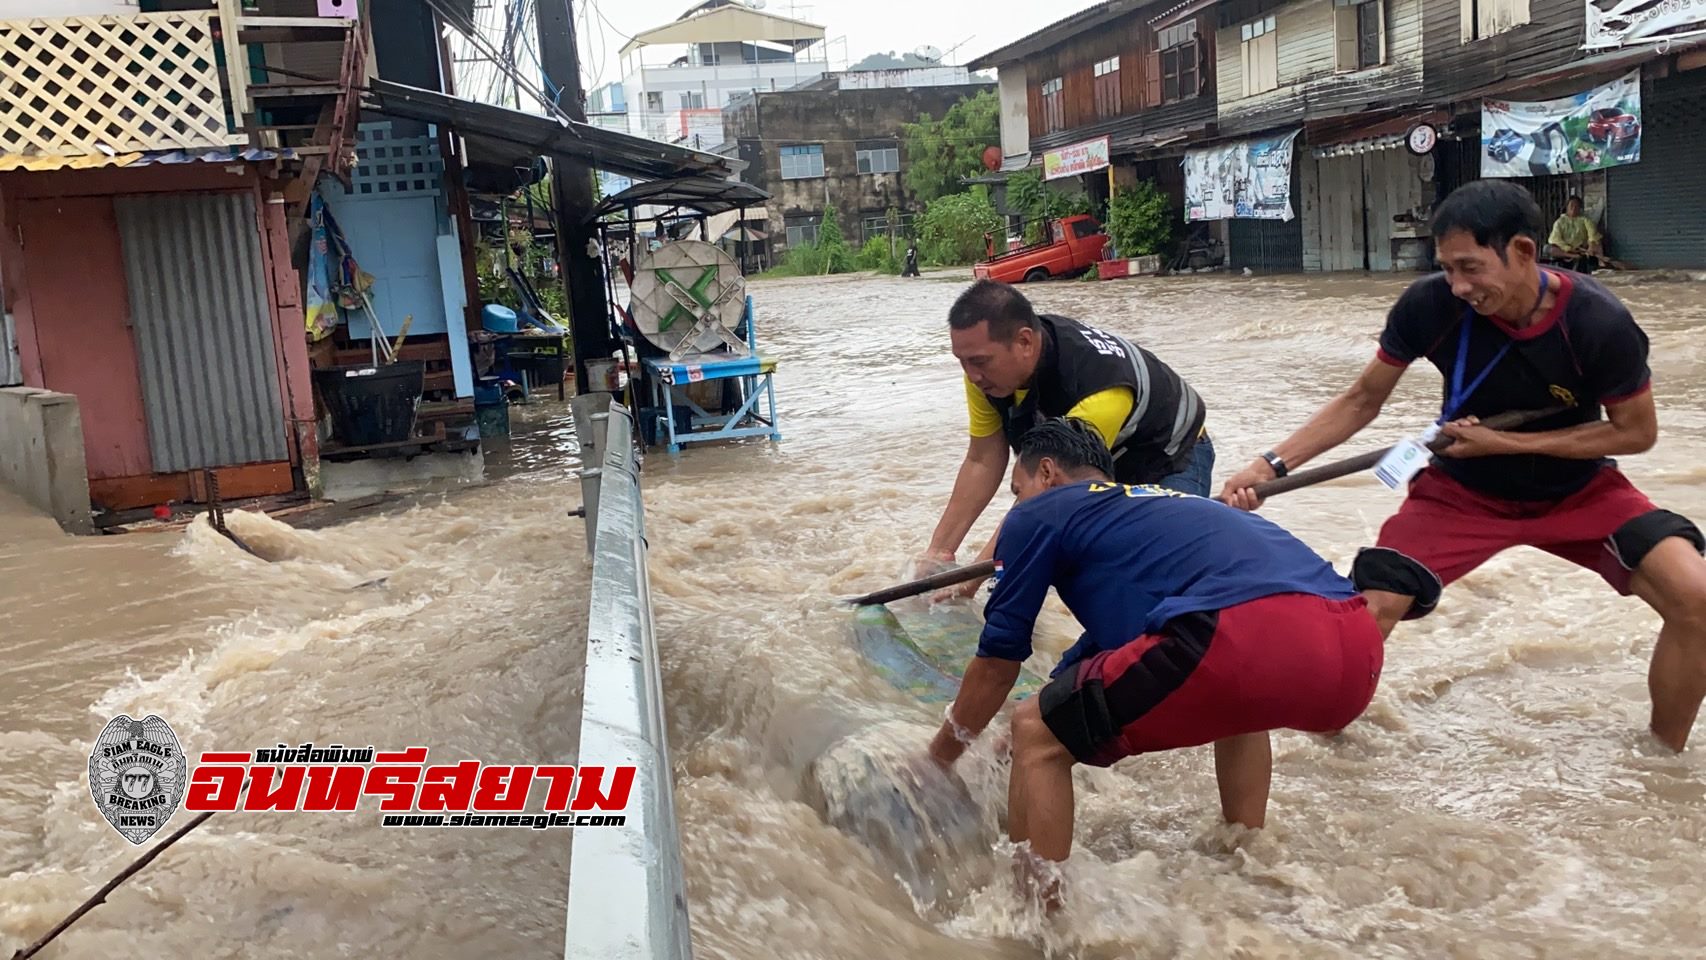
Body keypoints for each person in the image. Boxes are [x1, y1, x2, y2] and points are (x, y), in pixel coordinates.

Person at [1219, 179, 1706, 753]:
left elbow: (1636, 433)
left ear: (1523, 252)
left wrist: (1514, 448)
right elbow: (1361, 400)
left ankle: (1661, 761)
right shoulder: (1431, 305)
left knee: (1696, 599)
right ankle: (1329, 757)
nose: (1458, 285)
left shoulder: (1599, 322)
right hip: (1459, 492)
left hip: (1579, 490)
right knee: (1363, 615)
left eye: (1471, 267)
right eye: (1447, 268)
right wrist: (1270, 464)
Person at [922, 418, 1384, 911]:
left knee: (1035, 732)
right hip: (1354, 644)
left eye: (1018, 489)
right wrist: (1036, 714)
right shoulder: (1169, 510)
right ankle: (1246, 859)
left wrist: (938, 762)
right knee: (1242, 706)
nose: (1017, 504)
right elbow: (1110, 652)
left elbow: (998, 661)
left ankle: (1033, 921)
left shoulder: (1042, 513)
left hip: (1240, 633)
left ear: (1048, 473)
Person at [920, 280, 1214, 593]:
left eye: (979, 361)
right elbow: (983, 459)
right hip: (1098, 458)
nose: (972, 375)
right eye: (962, 362)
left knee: (1156, 574)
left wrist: (971, 578)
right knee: (1028, 569)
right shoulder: (984, 375)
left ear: (1024, 343)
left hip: (1168, 455)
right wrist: (938, 555)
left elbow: (1044, 491)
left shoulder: (1097, 389)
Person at [1545, 195, 1605, 273]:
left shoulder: (1585, 220)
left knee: (1597, 243)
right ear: (1567, 207)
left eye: (1577, 206)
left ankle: (1601, 262)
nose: (1574, 208)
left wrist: (1591, 245)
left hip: (1581, 249)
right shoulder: (1560, 222)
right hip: (1565, 250)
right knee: (1548, 248)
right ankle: (1572, 257)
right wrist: (1568, 248)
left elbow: (1592, 234)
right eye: (1572, 205)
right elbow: (1555, 239)